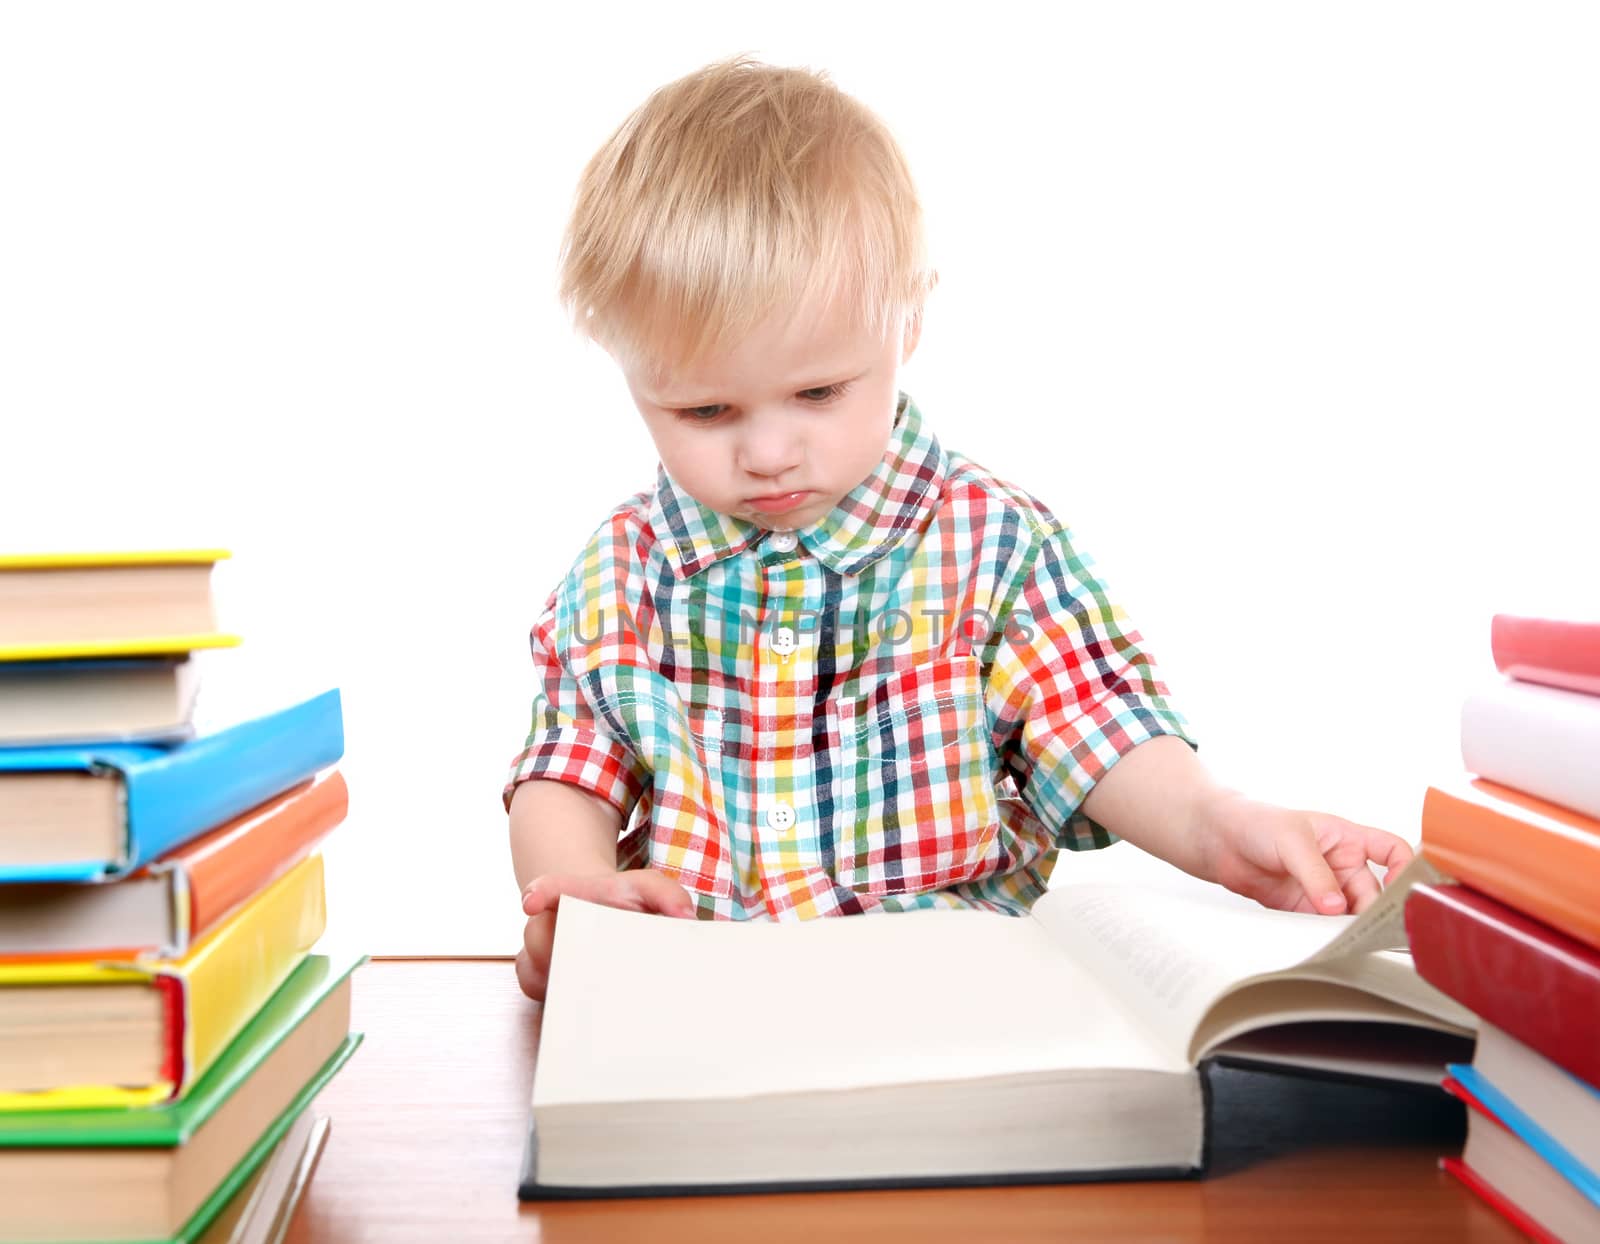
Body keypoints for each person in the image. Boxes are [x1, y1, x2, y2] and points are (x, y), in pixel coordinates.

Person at [505, 55, 1411, 1002]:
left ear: (907, 322)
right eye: (704, 412)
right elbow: (569, 765)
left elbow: (1096, 724)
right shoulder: (624, 571)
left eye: (818, 392)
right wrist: (582, 902)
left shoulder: (990, 544)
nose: (769, 452)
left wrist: (1224, 831)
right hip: (699, 1002)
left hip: (953, 1002)